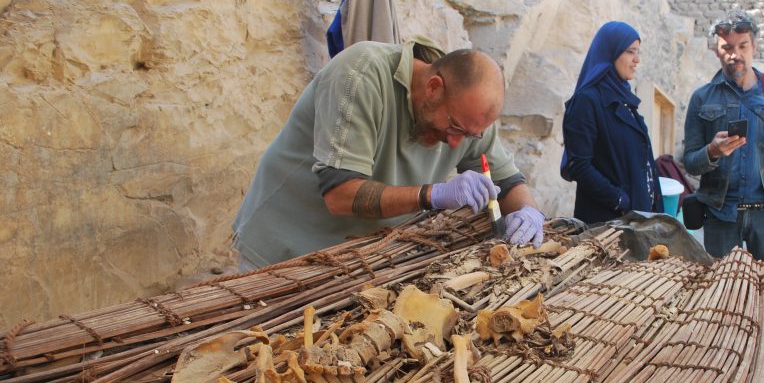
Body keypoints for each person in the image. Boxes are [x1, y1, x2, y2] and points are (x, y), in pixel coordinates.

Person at [232, 38, 546, 268]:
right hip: (286, 249)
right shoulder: (360, 75)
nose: (456, 144)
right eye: (453, 128)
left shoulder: (468, 118)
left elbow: (507, 181)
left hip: (359, 260)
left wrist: (528, 212)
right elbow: (340, 195)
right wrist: (432, 195)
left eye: (469, 135)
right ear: (433, 87)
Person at [682, 10, 764, 271]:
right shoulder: (702, 98)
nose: (735, 54)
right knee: (719, 287)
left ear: (754, 47)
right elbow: (691, 163)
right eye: (727, 47)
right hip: (720, 212)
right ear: (716, 50)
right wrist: (712, 152)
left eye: (742, 46)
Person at [561, 21, 663, 224]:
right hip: (607, 224)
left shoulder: (624, 99)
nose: (637, 60)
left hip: (636, 220)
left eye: (638, 52)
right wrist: (620, 200)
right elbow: (579, 165)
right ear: (611, 52)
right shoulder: (587, 100)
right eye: (630, 52)